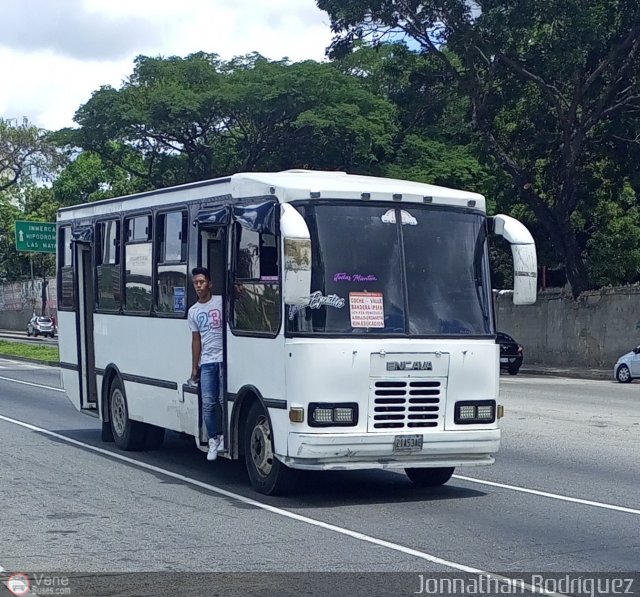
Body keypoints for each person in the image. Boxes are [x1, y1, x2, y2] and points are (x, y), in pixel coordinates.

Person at [187, 267, 224, 461]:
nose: (199, 286)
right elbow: (196, 340)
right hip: (208, 363)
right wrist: (195, 366)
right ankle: (213, 438)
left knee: (223, 400)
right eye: (196, 283)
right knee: (208, 404)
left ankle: (225, 435)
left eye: (202, 282)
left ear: (210, 283)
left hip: (225, 361)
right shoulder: (193, 311)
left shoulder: (221, 302)